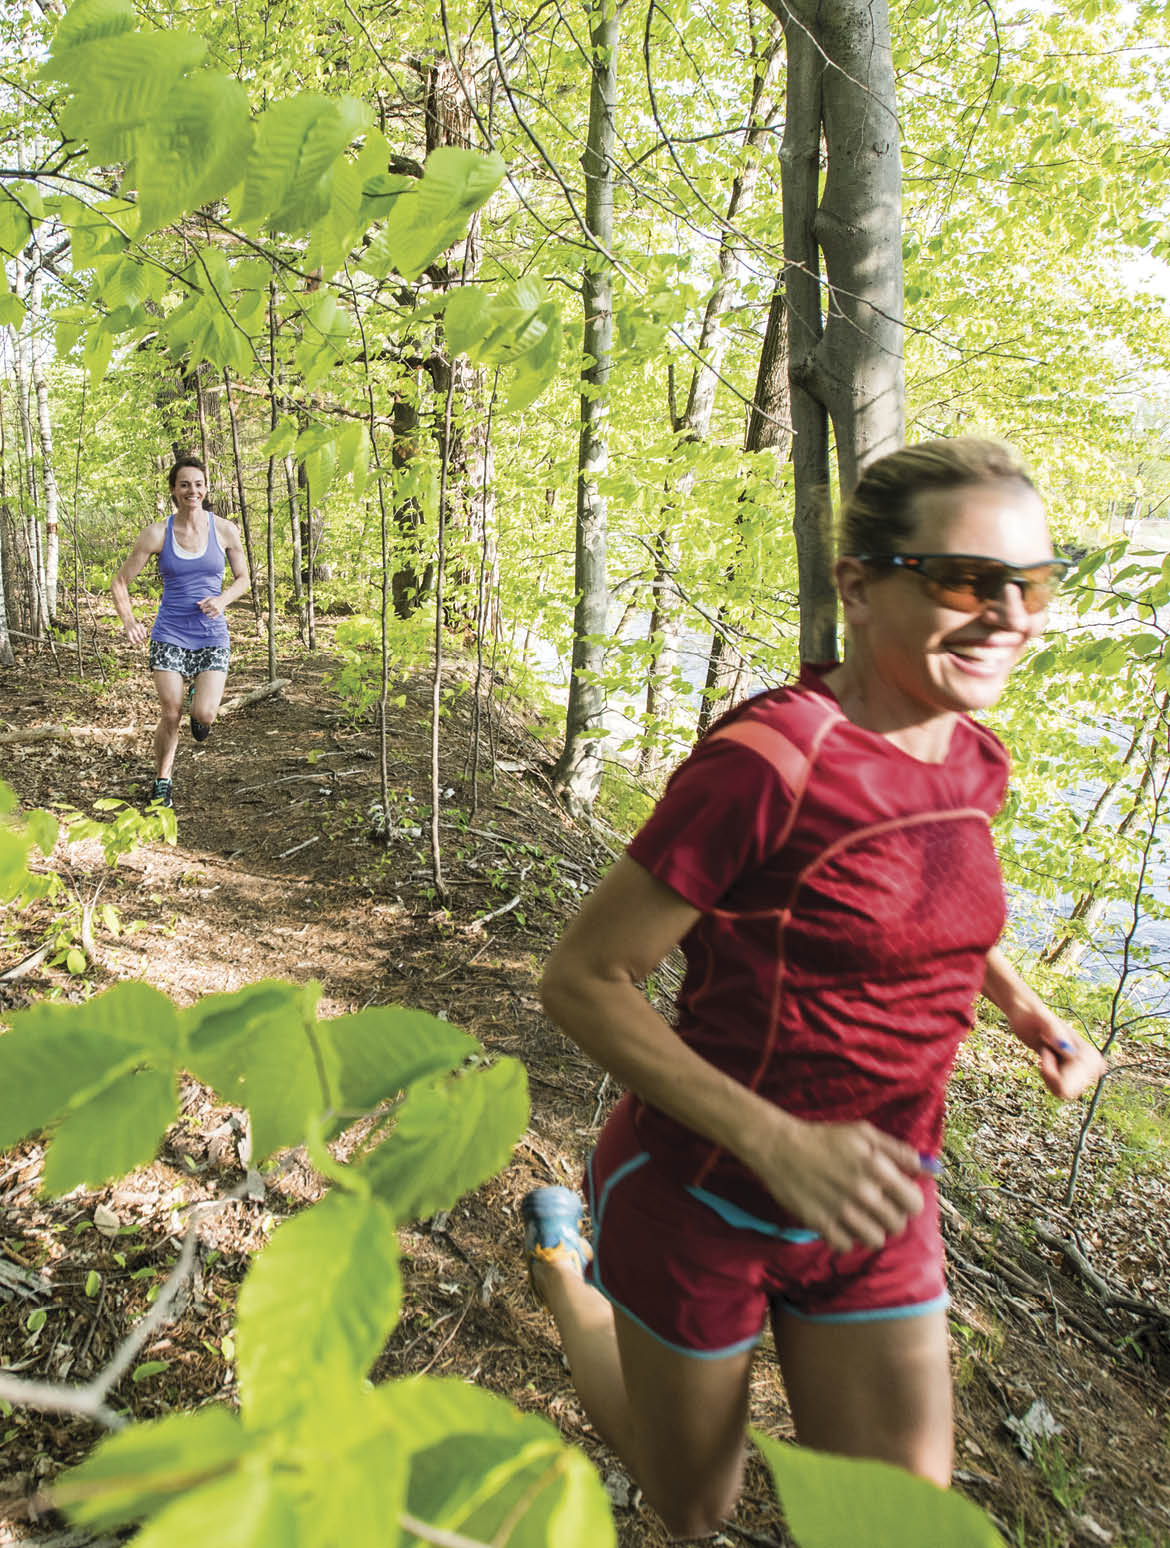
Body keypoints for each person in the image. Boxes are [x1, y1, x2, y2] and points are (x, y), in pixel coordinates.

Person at [526, 437, 1106, 1540]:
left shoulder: (973, 757)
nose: (1010, 613)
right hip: (703, 1197)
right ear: (858, 584)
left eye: (1034, 582)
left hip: (877, 1204)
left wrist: (1027, 1008)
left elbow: (930, 909)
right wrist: (781, 1143)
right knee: (693, 1500)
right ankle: (566, 1270)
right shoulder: (770, 759)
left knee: (894, 1522)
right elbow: (582, 979)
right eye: (963, 579)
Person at [111, 456, 250, 809]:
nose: (192, 490)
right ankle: (162, 779)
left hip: (211, 636)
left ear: (206, 488)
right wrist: (129, 621)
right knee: (171, 712)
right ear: (174, 489)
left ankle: (200, 713)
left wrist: (222, 600)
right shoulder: (158, 533)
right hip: (170, 633)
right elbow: (120, 582)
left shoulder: (224, 530)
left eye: (198, 484)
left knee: (203, 714)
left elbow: (244, 579)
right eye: (184, 484)